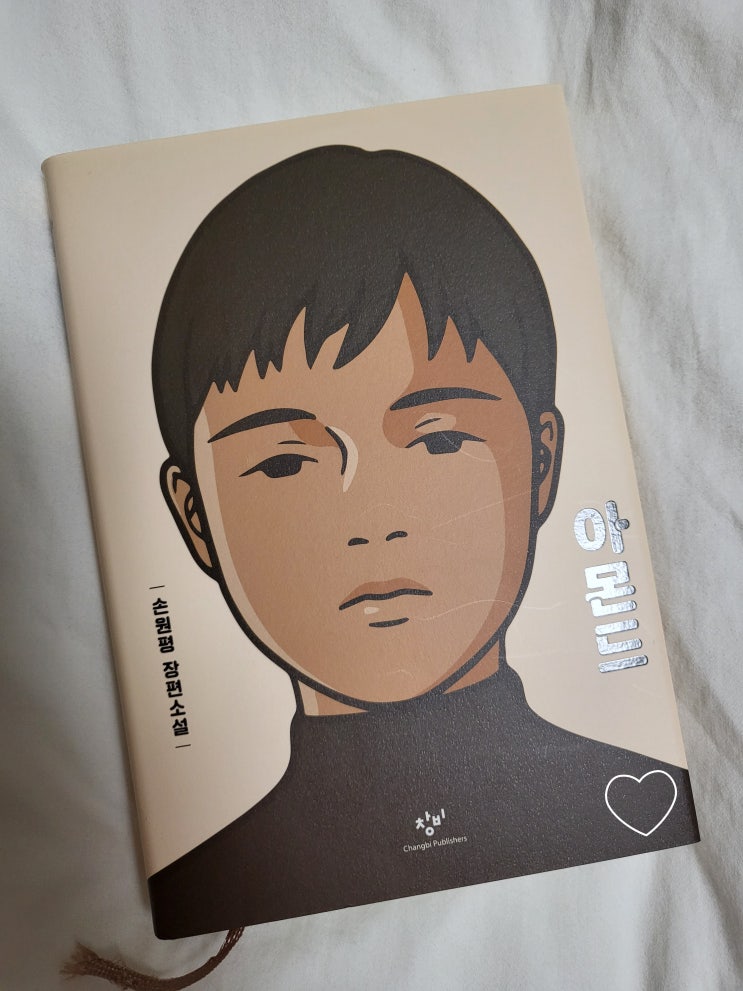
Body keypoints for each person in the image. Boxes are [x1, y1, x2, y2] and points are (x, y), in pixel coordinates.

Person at [149, 146, 697, 938]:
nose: (372, 520)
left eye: (439, 440)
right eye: (284, 462)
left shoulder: (641, 810)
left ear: (541, 463)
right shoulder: (204, 892)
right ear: (194, 515)